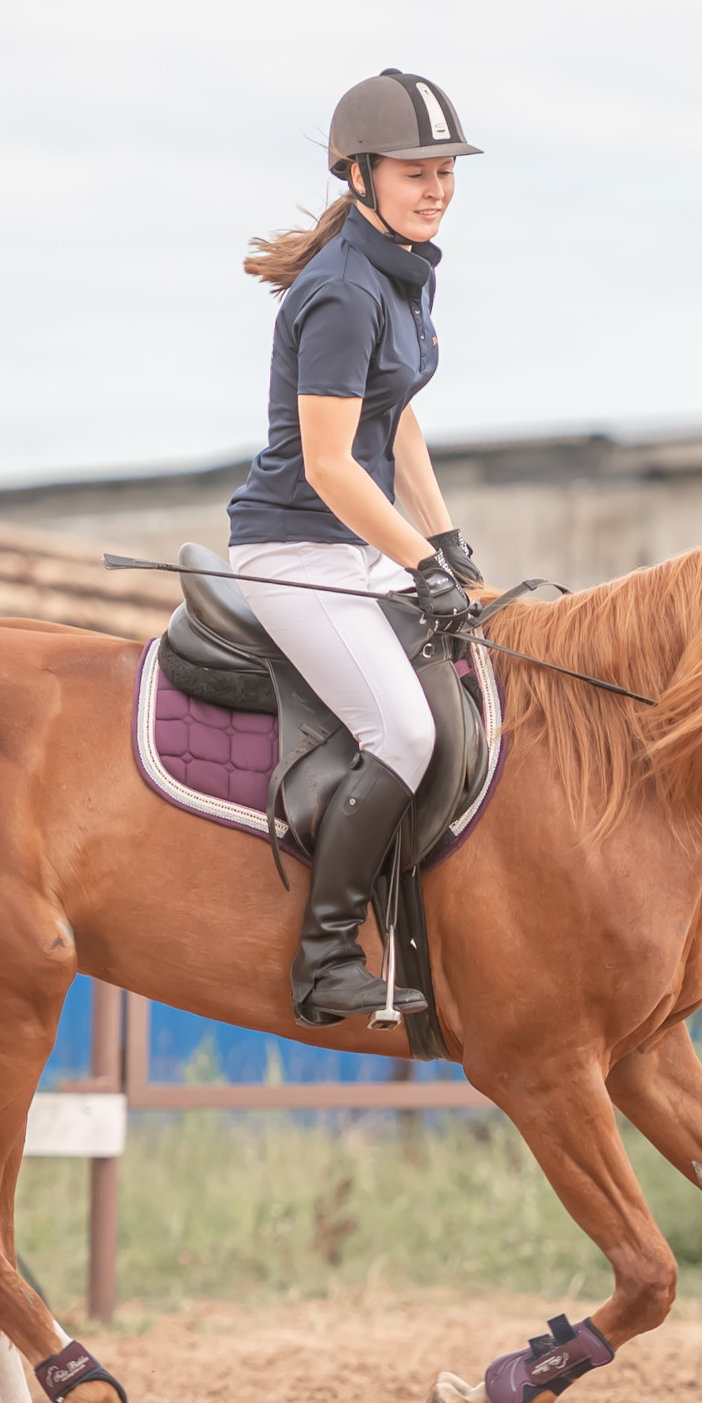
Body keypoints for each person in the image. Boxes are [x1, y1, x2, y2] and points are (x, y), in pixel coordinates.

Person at [226, 68, 485, 1029]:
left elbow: (397, 423)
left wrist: (447, 541)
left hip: (361, 546)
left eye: (445, 172)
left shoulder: (399, 276)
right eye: (416, 171)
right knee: (405, 733)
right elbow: (334, 466)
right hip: (297, 549)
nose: (436, 187)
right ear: (359, 173)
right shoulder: (342, 292)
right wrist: (418, 561)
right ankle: (328, 954)